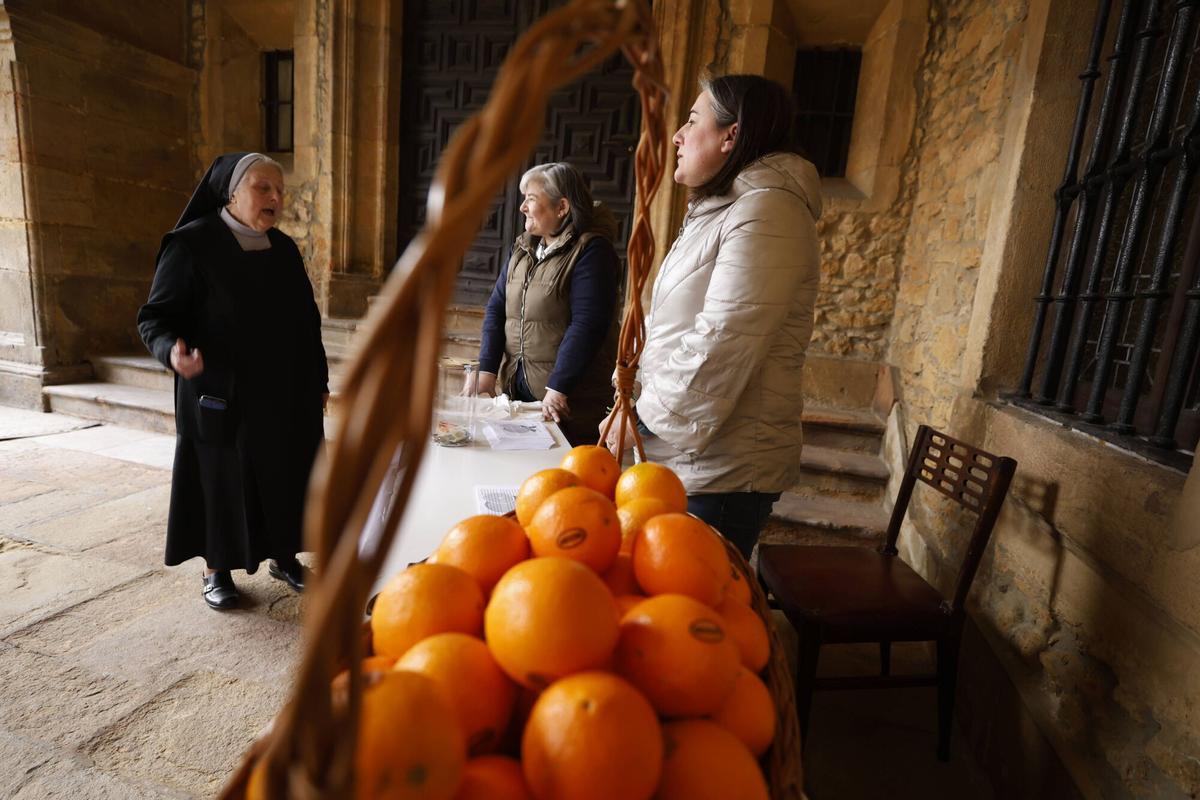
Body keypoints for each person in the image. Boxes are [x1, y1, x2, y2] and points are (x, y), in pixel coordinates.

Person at [604, 74, 822, 560]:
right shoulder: (724, 210)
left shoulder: (769, 212)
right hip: (686, 455)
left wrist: (640, 418)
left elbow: (724, 338)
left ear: (731, 135)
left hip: (722, 470)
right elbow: (674, 330)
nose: (677, 136)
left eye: (692, 120)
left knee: (690, 614)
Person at [138, 152, 328, 610]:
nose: (276, 198)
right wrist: (171, 351)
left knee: (287, 475)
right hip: (219, 393)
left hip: (285, 395)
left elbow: (306, 322)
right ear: (231, 193)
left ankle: (284, 557)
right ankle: (215, 569)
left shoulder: (283, 248)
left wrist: (318, 379)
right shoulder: (190, 245)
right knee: (221, 482)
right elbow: (155, 318)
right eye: (264, 188)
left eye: (280, 191)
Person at [475, 162, 621, 445]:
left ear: (562, 207)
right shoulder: (523, 249)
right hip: (519, 391)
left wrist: (558, 386)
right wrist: (487, 372)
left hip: (566, 402)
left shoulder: (592, 251)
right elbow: (496, 309)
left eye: (530, 199)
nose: (522, 208)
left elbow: (588, 324)